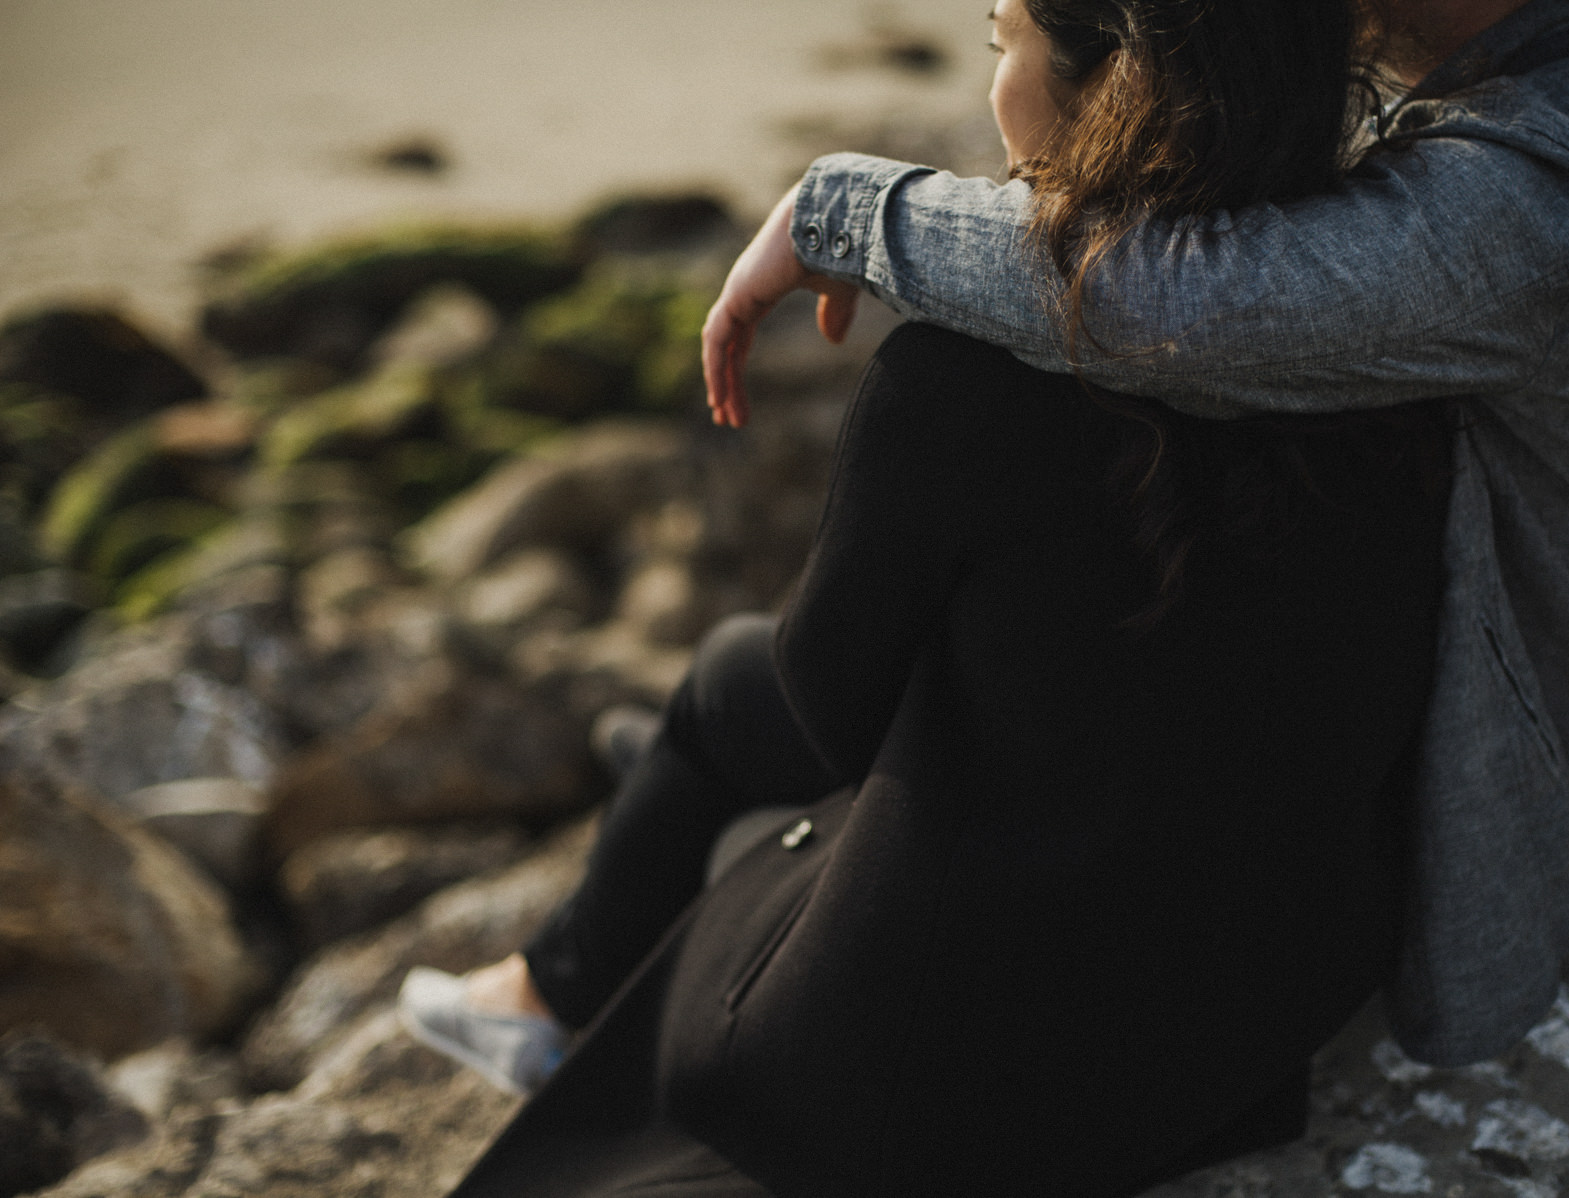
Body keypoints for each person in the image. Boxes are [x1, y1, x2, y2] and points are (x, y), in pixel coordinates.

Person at [401, 2, 1473, 1195]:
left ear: (1113, 85)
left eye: (999, 41)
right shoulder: (1420, 362)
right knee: (765, 729)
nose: (992, 84)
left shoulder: (956, 388)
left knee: (733, 714)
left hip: (934, 1083)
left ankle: (548, 989)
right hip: (1224, 1048)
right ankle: (605, 874)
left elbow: (832, 720)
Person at [704, 0, 1569, 1066]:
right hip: (1432, 759)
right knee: (753, 720)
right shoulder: (1565, 86)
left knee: (744, 725)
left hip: (1533, 838)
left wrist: (836, 210)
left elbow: (1187, 300)